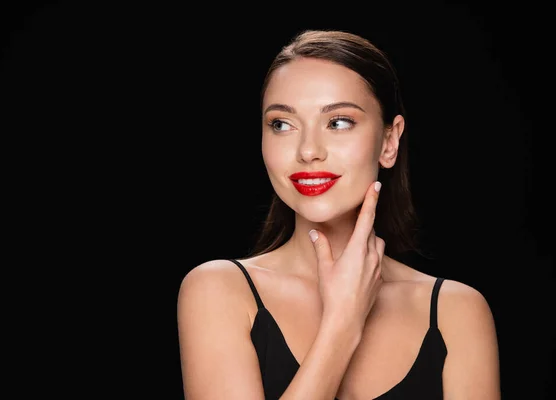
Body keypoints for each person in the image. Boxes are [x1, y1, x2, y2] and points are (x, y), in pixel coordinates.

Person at [177, 29, 501, 399]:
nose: (308, 150)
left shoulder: (455, 311)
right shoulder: (219, 290)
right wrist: (342, 324)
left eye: (338, 122)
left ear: (390, 141)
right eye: (282, 124)